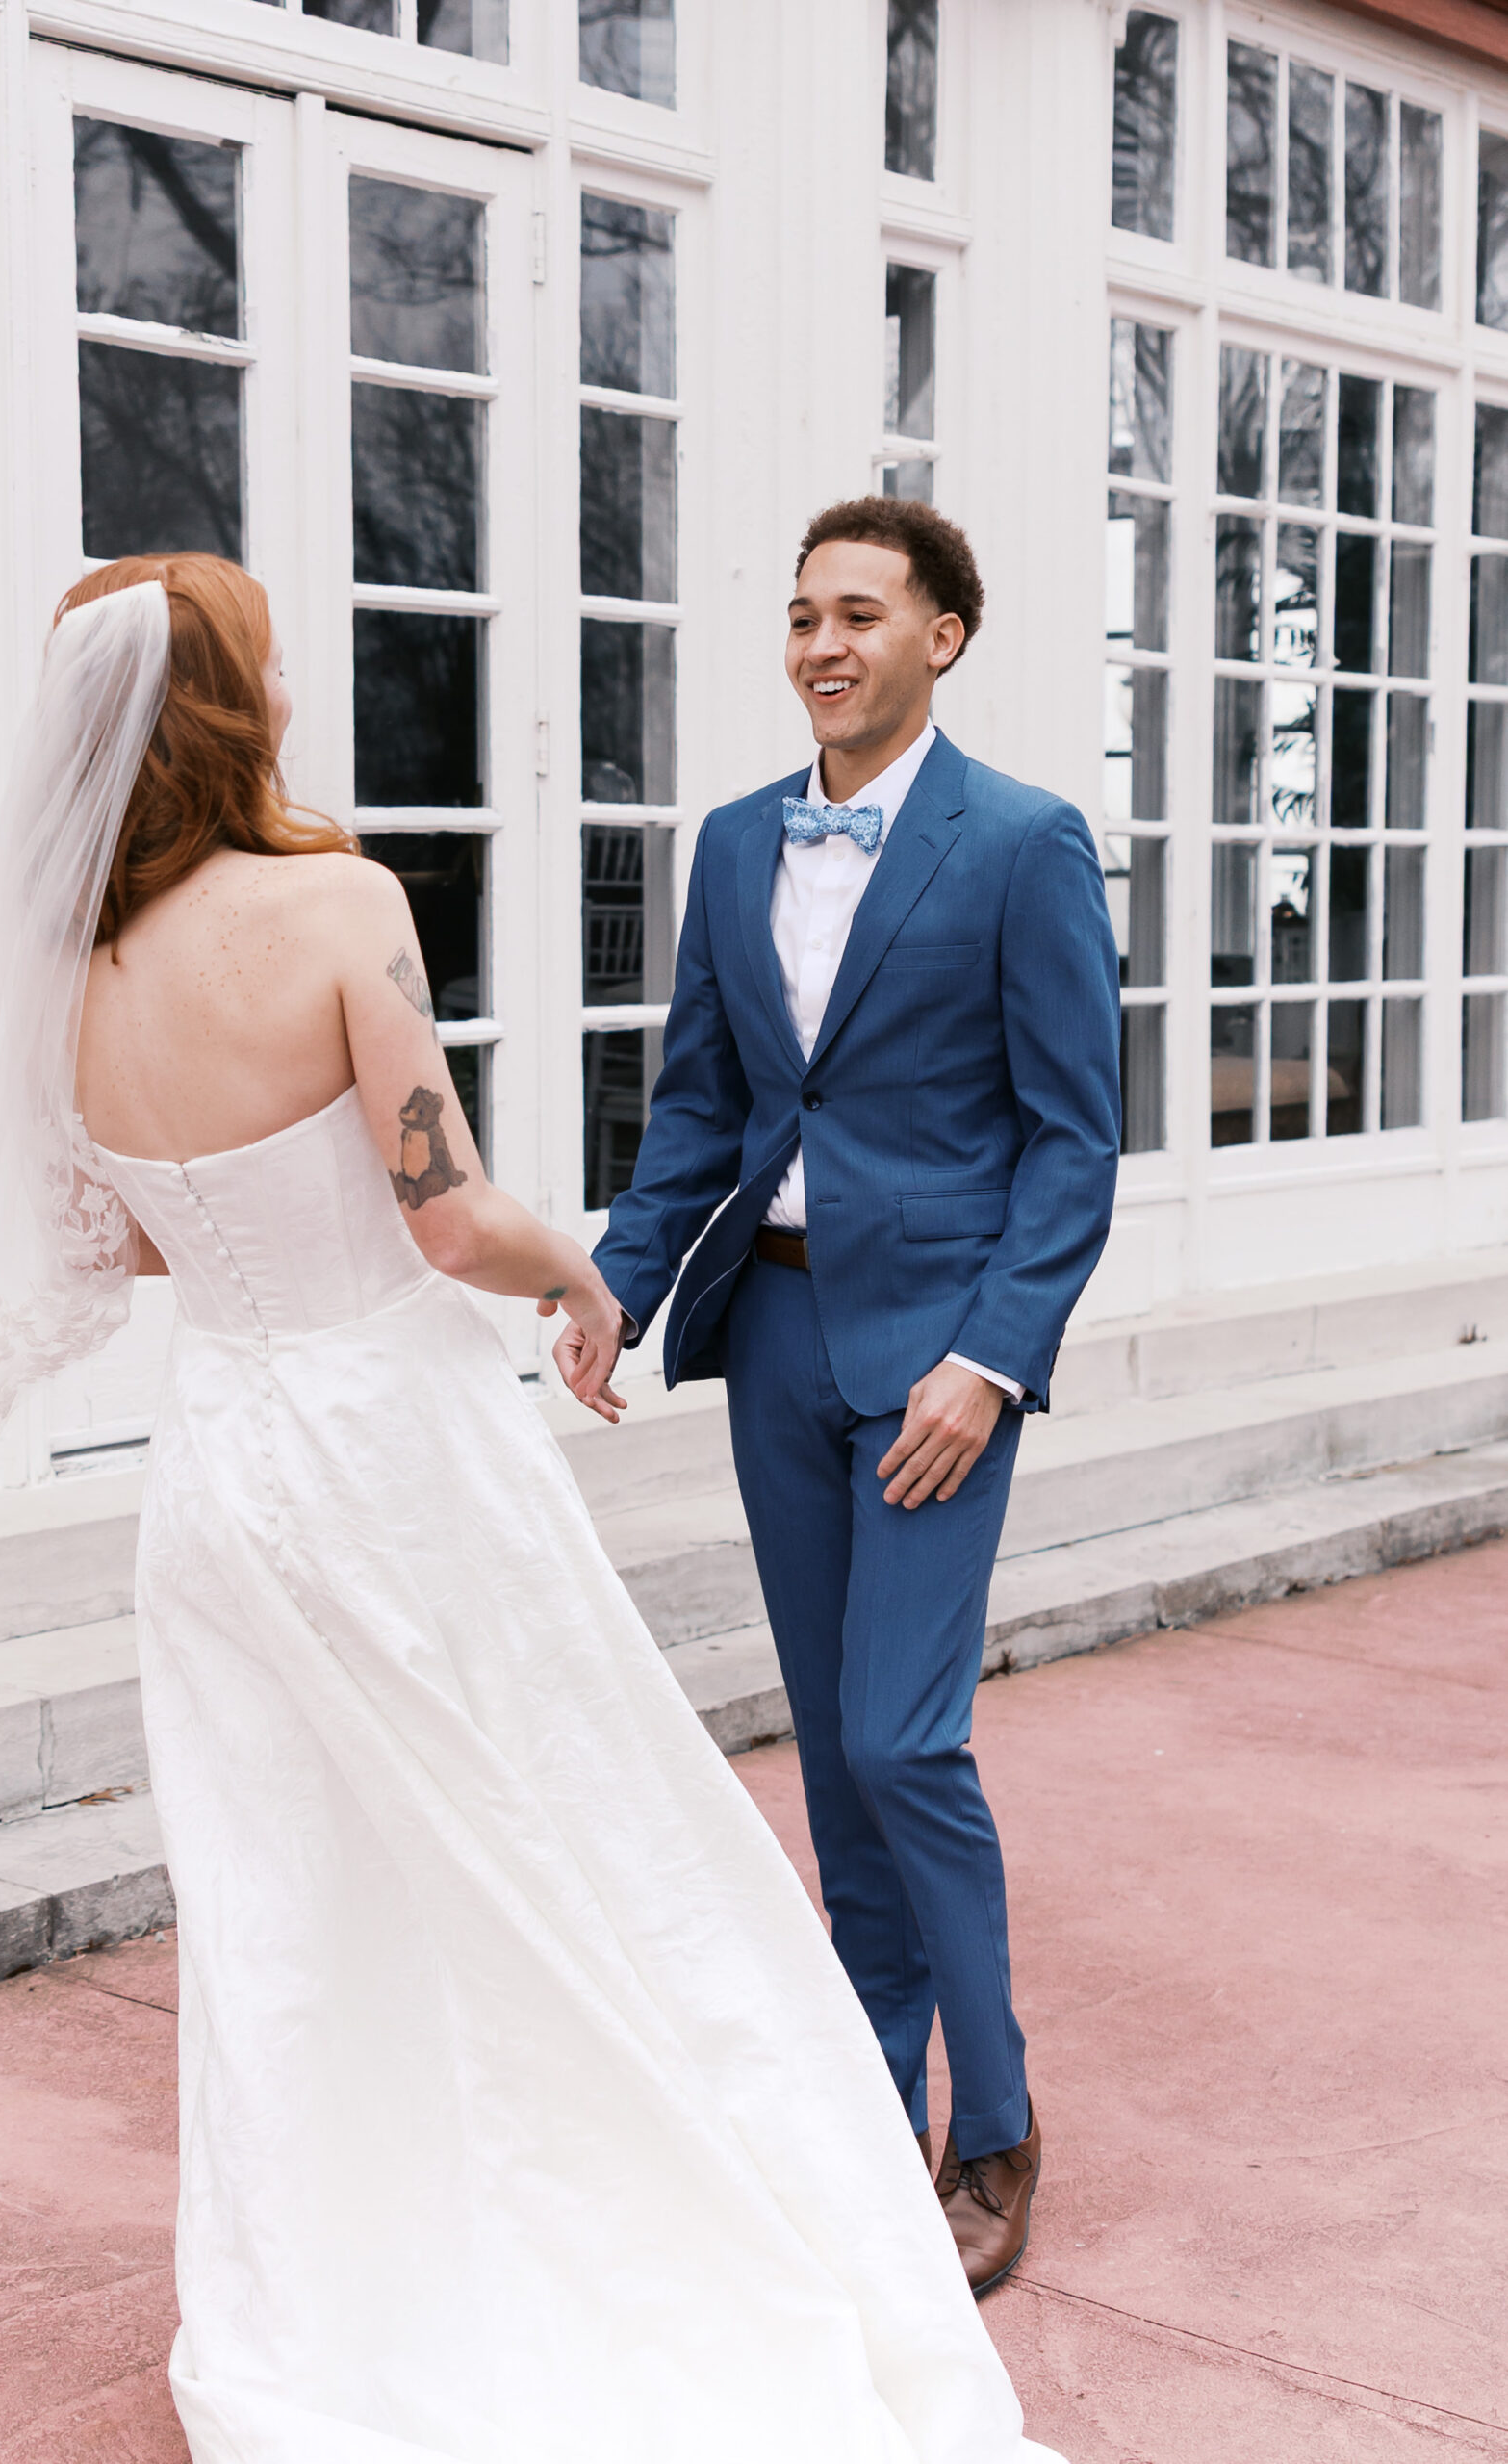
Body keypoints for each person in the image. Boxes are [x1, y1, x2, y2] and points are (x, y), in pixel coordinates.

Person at [0, 552, 1065, 2463]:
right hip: (391, 1458)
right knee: (555, 1841)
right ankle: (600, 2248)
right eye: (272, 661)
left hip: (220, 1477)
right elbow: (445, 1210)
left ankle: (341, 2301)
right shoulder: (338, 903)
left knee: (291, 1898)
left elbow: (109, 1236)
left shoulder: (68, 963)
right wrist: (585, 1274)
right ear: (232, 700)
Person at [576, 498, 1121, 2298]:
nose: (824, 643)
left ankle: (1000, 2129)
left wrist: (991, 1360)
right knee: (829, 1750)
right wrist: (618, 1287)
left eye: (863, 614)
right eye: (804, 614)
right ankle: (873, 2105)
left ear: (943, 636)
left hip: (938, 1363)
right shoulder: (735, 845)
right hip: (781, 1344)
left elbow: (1073, 1142)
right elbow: (702, 1107)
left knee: (907, 1740)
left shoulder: (1025, 843)